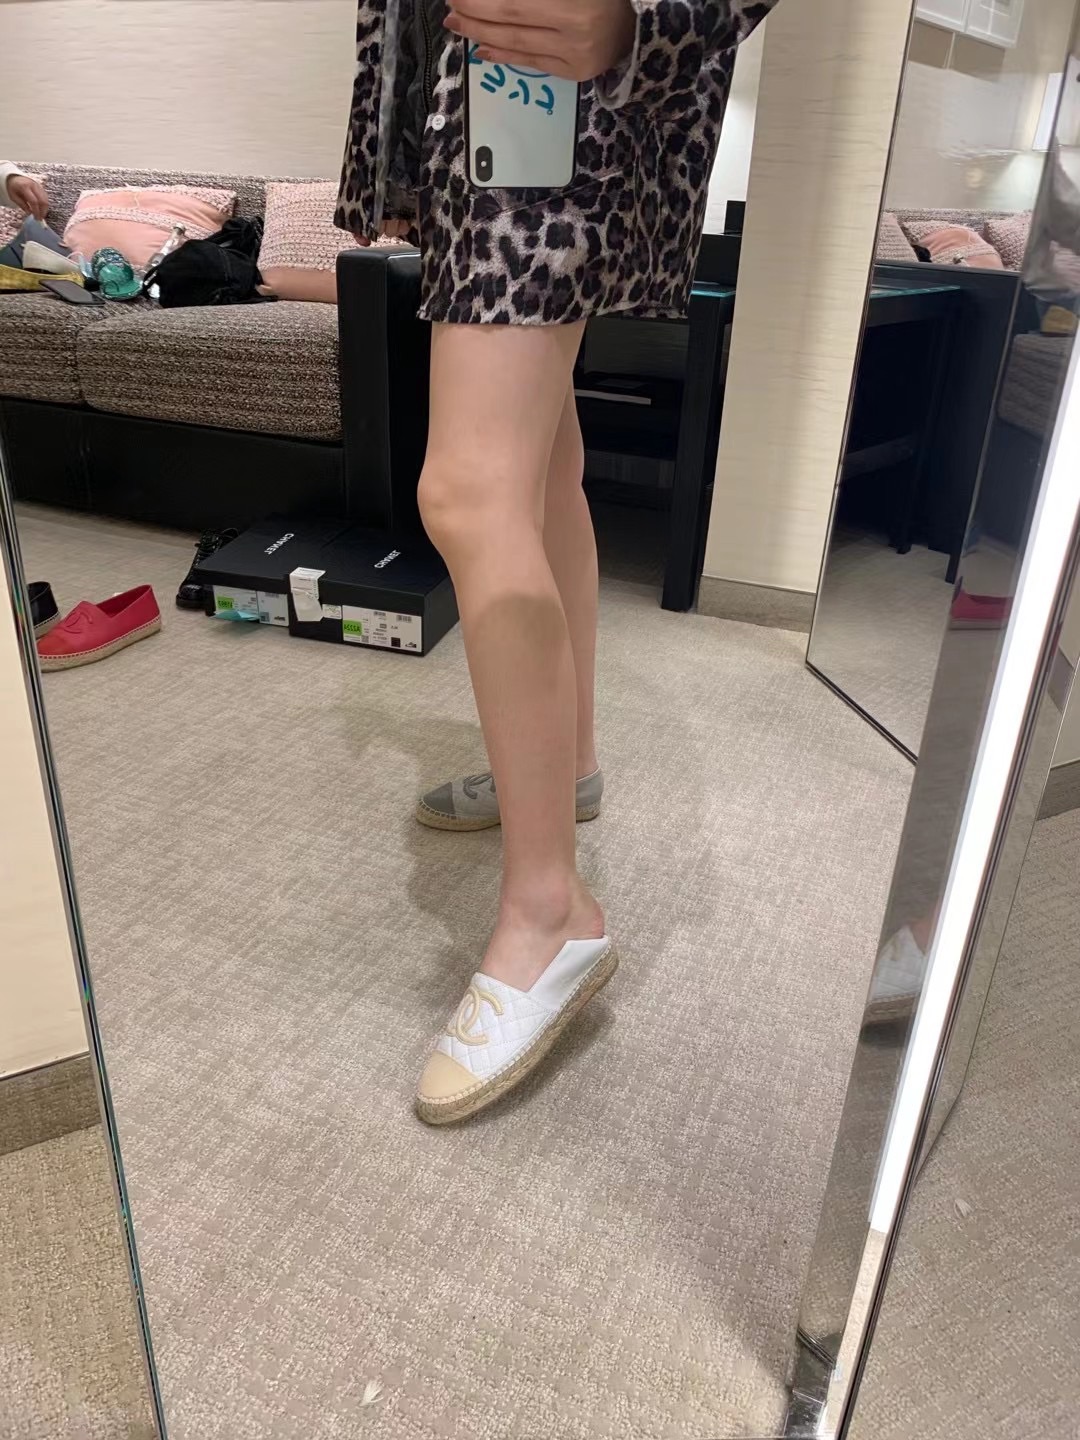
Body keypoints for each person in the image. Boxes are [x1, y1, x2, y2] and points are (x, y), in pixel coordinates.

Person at [336, 0, 778, 1124]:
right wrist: (401, 144)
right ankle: (567, 767)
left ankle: (550, 914)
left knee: (468, 491)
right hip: (489, 104)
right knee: (537, 474)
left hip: (541, 96)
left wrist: (647, 19)